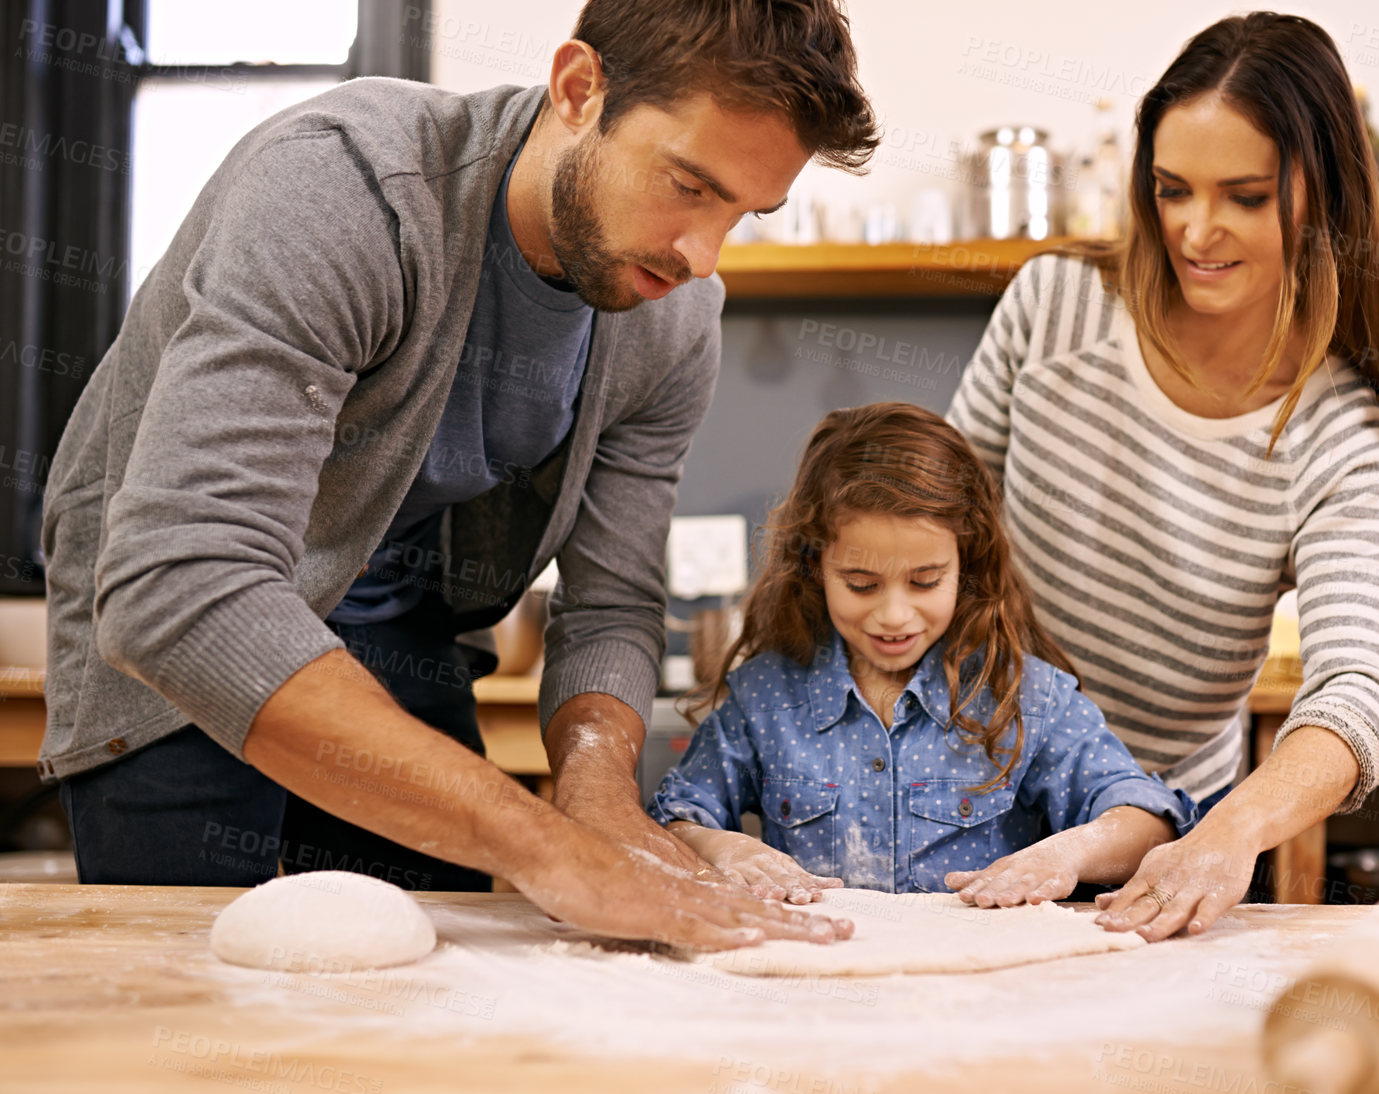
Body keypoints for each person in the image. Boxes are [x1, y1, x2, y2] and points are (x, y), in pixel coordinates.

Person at [40, 0, 879, 950]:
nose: (703, 255)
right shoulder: (343, 187)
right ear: (578, 88)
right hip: (184, 619)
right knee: (196, 988)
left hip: (398, 623)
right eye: (688, 183)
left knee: (431, 979)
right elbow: (182, 582)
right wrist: (546, 847)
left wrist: (595, 802)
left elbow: (608, 610)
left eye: (743, 211)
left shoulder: (675, 319)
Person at [945, 12, 1379, 939]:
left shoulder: (1336, 430)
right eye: (1173, 190)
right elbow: (939, 535)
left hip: (1161, 853)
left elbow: (1355, 693)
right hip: (970, 811)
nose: (1198, 232)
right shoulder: (1053, 310)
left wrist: (1230, 832)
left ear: (1321, 193)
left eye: (1245, 196)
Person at [647, 403, 1196, 902]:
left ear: (966, 566)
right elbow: (674, 819)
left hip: (981, 998)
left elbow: (1148, 819)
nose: (893, 615)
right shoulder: (765, 698)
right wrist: (721, 848)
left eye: (926, 581)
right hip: (816, 994)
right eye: (861, 584)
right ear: (817, 568)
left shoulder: (1023, 698)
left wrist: (1069, 853)